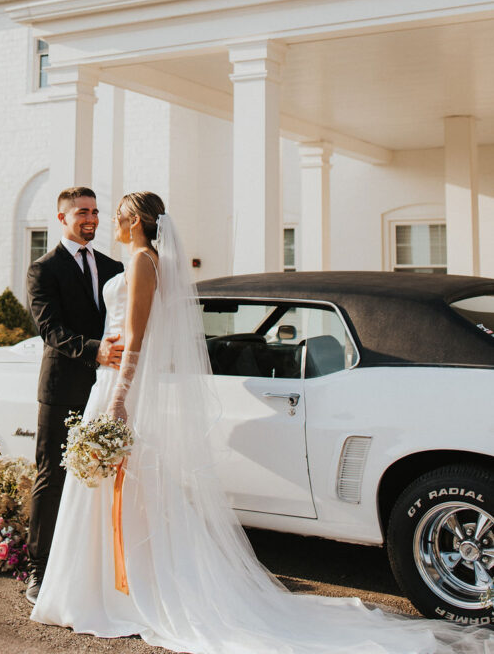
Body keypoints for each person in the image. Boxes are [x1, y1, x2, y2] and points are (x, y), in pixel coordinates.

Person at [32, 191, 492, 654]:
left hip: (118, 385)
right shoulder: (138, 262)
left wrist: (120, 395)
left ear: (134, 222)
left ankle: (108, 589)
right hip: (113, 377)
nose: (103, 220)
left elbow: (136, 336)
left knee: (118, 490)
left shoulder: (141, 264)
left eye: (111, 215)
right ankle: (108, 583)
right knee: (127, 491)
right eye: (89, 212)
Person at [24, 186, 124, 603]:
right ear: (62, 217)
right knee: (52, 477)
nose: (92, 219)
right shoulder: (43, 270)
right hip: (63, 388)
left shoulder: (113, 265)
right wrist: (95, 350)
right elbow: (49, 328)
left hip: (107, 389)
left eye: (96, 212)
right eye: (83, 212)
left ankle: (91, 566)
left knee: (104, 476)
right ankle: (38, 570)